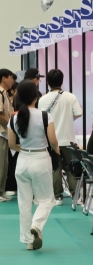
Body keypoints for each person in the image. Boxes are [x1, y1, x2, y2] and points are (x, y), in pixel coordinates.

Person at [7, 80, 59, 250]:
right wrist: (59, 151)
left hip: (22, 161)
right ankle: (36, 226)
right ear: (35, 97)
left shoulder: (14, 118)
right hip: (41, 160)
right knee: (46, 200)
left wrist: (24, 148)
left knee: (24, 203)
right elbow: (53, 141)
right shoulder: (45, 116)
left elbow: (12, 144)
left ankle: (29, 241)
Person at [38, 69, 83, 206]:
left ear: (48, 82)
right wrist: (69, 119)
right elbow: (79, 113)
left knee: (55, 168)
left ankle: (58, 197)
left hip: (51, 140)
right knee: (70, 168)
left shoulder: (43, 99)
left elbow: (41, 119)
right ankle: (76, 196)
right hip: (68, 139)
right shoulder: (70, 97)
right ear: (62, 81)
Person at [0, 69, 15, 202]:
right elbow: (0, 115)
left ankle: (1, 191)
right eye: (10, 78)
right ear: (4, 78)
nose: (12, 81)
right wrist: (11, 125)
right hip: (1, 132)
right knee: (0, 163)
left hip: (4, 133)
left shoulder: (5, 94)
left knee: (4, 164)